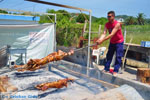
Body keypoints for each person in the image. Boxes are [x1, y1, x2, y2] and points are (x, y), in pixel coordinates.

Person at [96, 11, 124, 76]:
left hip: (119, 42)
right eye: (107, 16)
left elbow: (111, 34)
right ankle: (106, 68)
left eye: (109, 16)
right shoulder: (107, 24)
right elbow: (104, 33)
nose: (108, 18)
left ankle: (116, 70)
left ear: (113, 16)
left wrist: (102, 40)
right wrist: (100, 39)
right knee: (109, 55)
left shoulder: (117, 24)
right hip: (112, 42)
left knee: (118, 56)